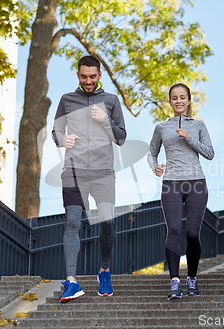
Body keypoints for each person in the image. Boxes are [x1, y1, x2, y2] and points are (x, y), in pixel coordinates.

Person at [52, 55, 126, 302]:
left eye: (92, 76)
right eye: (84, 76)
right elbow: (56, 130)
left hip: (103, 172)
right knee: (73, 222)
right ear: (78, 75)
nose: (88, 81)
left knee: (107, 224)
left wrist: (105, 121)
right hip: (73, 171)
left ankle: (104, 271)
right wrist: (62, 140)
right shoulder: (67, 100)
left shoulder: (111, 101)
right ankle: (71, 281)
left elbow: (121, 138)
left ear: (100, 75)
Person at [147, 83, 214, 299]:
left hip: (196, 183)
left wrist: (189, 138)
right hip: (171, 183)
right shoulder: (161, 127)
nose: (178, 101)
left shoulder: (199, 126)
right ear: (169, 101)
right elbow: (151, 152)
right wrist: (154, 166)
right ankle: (175, 281)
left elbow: (210, 153)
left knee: (192, 233)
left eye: (182, 97)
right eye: (174, 98)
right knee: (174, 230)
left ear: (188, 100)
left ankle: (192, 278)